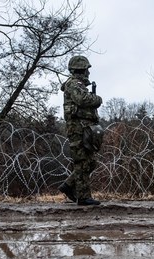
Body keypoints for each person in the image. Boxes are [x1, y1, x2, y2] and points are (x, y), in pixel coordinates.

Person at [58, 55, 103, 206]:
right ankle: (83, 197)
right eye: (86, 70)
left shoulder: (78, 85)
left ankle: (68, 185)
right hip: (77, 128)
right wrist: (97, 99)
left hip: (84, 128)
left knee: (89, 162)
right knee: (82, 161)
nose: (88, 73)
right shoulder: (74, 84)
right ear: (81, 70)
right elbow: (83, 100)